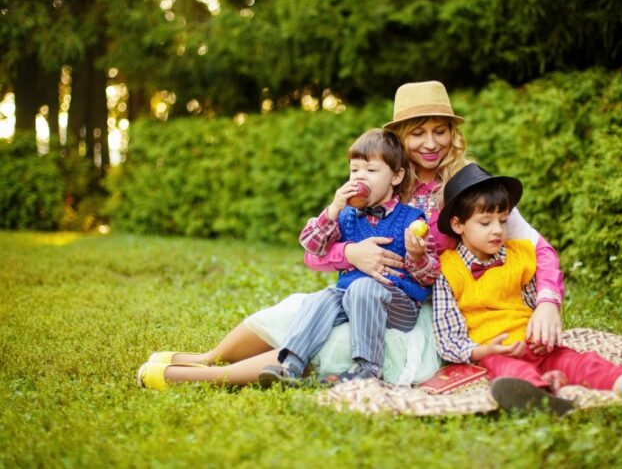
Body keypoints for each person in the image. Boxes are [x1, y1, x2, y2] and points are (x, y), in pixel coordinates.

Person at [136, 81, 563, 389]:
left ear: (453, 133)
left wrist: (547, 303)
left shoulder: (469, 186)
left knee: (335, 341)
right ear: (397, 138)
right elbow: (317, 252)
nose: (430, 143)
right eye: (417, 132)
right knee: (299, 311)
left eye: (440, 130)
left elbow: (535, 248)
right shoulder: (377, 180)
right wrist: (352, 252)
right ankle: (207, 357)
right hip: (360, 287)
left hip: (427, 310)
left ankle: (207, 376)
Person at [432, 163, 622, 414]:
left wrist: (542, 336)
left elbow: (534, 305)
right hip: (497, 351)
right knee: (513, 373)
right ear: (458, 225)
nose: (497, 229)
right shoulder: (448, 271)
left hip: (536, 345)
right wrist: (486, 349)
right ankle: (541, 399)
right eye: (485, 222)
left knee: (581, 362)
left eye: (503, 220)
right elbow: (449, 339)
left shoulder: (520, 255)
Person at [256, 128, 439, 387]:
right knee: (322, 296)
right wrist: (332, 210)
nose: (360, 177)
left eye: (371, 171)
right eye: (354, 170)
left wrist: (417, 255)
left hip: (398, 304)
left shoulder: (411, 219)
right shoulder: (345, 216)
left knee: (363, 287)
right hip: (350, 296)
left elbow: (429, 276)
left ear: (396, 176)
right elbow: (312, 246)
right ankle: (291, 365)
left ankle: (368, 369)